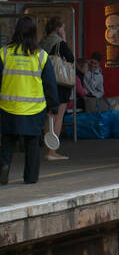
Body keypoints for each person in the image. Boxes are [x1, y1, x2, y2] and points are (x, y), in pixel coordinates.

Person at [0, 15, 61, 185]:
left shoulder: (4, 53)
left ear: (16, 32)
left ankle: (3, 169)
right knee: (32, 144)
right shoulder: (40, 56)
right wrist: (53, 106)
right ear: (34, 33)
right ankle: (31, 177)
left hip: (8, 106)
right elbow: (50, 84)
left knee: (7, 141)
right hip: (34, 109)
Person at [42, 17, 74, 161]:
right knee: (58, 117)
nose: (64, 30)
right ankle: (52, 151)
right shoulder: (60, 43)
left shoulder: (43, 42)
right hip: (60, 83)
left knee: (49, 117)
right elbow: (70, 58)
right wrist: (64, 39)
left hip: (46, 82)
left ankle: (48, 147)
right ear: (58, 29)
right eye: (63, 28)